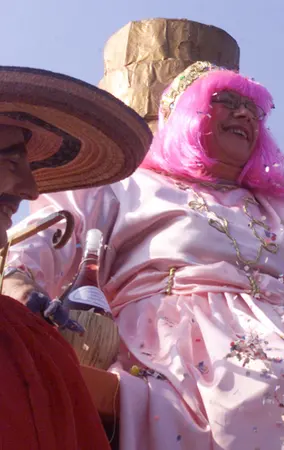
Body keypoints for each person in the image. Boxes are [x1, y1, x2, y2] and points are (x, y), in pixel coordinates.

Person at [3, 12, 284, 450]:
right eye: (226, 101)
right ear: (185, 115)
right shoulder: (128, 182)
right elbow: (56, 228)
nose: (245, 113)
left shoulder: (276, 202)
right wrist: (20, 280)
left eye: (253, 108)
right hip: (179, 335)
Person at [0, 66, 152, 449]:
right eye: (10, 161)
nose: (31, 190)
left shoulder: (26, 338)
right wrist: (19, 282)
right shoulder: (110, 193)